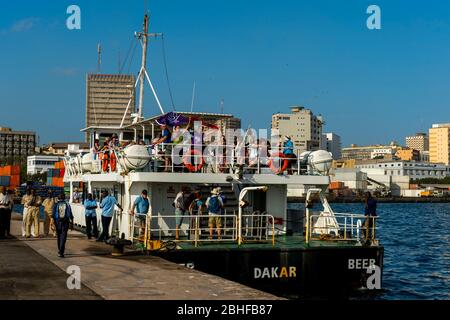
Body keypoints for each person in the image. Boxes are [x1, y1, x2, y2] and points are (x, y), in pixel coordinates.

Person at [52, 193, 74, 258]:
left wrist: (53, 223)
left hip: (57, 222)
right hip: (65, 222)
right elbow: (70, 214)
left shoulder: (56, 204)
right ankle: (61, 251)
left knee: (59, 237)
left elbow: (53, 215)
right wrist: (72, 224)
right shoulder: (67, 204)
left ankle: (59, 250)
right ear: (64, 198)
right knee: (63, 237)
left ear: (58, 198)